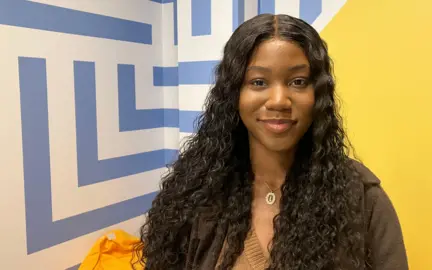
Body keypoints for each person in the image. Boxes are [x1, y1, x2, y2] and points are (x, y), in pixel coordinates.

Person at [134, 14, 408, 270]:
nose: (278, 100)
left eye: (298, 81)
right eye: (258, 82)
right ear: (234, 94)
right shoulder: (195, 192)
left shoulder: (361, 197)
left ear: (319, 94)